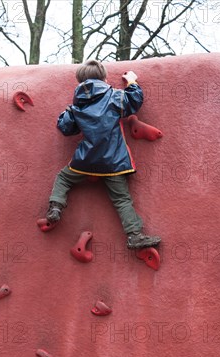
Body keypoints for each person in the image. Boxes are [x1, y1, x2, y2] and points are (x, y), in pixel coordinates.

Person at [46, 59, 161, 249]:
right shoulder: (114, 97)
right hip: (113, 161)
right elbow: (135, 101)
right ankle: (134, 235)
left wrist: (68, 111)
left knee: (64, 178)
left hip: (85, 160)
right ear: (104, 78)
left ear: (80, 81)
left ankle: (56, 207)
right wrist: (132, 82)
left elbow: (66, 128)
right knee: (122, 199)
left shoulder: (78, 105)